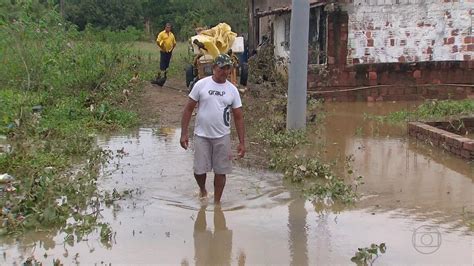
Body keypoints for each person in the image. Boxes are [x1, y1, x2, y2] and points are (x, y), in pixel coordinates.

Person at [180, 53, 245, 204]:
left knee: (221, 171)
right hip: (201, 135)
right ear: (214, 68)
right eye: (222, 68)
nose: (225, 72)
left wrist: (242, 142)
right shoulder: (201, 85)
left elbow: (239, 117)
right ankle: (203, 189)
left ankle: (217, 202)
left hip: (222, 136)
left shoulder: (232, 90)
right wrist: (184, 133)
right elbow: (188, 109)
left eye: (228, 68)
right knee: (199, 170)